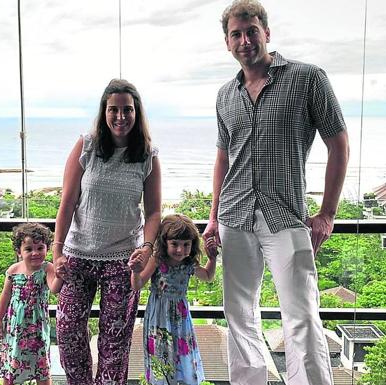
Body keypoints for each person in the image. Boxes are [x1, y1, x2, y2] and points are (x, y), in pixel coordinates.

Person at [202, 1, 350, 384]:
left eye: (251, 31)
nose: (245, 40)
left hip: (285, 216)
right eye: (236, 34)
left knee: (301, 315)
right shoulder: (225, 95)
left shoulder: (307, 78)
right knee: (239, 316)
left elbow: (339, 143)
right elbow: (223, 158)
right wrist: (214, 218)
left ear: (266, 33)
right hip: (235, 217)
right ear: (227, 43)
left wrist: (327, 213)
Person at [53, 78, 162, 385]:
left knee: (115, 343)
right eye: (113, 109)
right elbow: (68, 201)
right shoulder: (86, 146)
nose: (120, 116)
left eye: (127, 110)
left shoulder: (148, 155)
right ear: (103, 112)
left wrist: (147, 247)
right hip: (78, 256)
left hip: (122, 261)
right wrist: (57, 250)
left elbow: (153, 211)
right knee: (68, 331)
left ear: (137, 113)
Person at [129, 214, 218, 385]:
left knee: (181, 354)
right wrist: (136, 270)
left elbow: (208, 276)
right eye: (174, 244)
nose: (180, 250)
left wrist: (212, 258)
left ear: (192, 245)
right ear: (165, 242)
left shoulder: (188, 264)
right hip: (158, 317)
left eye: (186, 245)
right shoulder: (157, 260)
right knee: (161, 356)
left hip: (181, 318)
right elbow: (137, 285)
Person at [0, 222, 61, 385]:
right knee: (12, 366)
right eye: (29, 249)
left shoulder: (47, 268)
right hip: (16, 329)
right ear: (19, 251)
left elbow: (54, 288)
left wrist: (61, 275)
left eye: (40, 248)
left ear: (47, 248)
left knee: (42, 367)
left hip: (37, 328)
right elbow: (5, 296)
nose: (35, 253)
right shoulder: (13, 270)